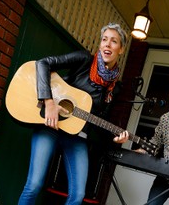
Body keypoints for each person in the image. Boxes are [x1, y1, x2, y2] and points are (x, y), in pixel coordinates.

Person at [18, 23, 128, 205]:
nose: (107, 44)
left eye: (114, 41)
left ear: (121, 49)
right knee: (34, 185)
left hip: (77, 136)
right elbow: (43, 63)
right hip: (51, 125)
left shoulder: (115, 87)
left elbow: (101, 121)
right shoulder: (85, 59)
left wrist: (114, 138)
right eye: (104, 40)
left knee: (77, 196)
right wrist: (49, 102)